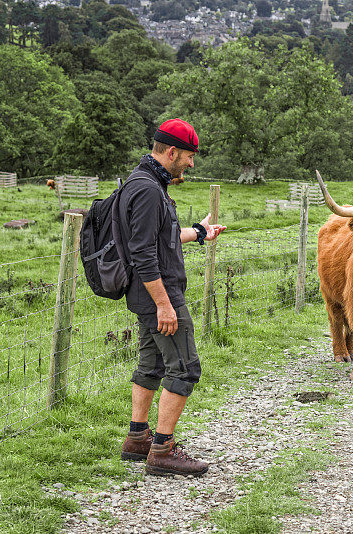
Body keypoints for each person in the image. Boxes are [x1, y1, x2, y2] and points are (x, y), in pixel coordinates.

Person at [119, 119, 226, 477]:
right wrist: (165, 304)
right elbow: (143, 252)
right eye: (189, 157)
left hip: (144, 292)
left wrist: (198, 231)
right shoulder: (149, 190)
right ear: (172, 152)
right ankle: (163, 449)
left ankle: (138, 438)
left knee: (151, 364)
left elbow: (159, 238)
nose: (191, 165)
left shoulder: (141, 181)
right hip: (159, 293)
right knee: (185, 366)